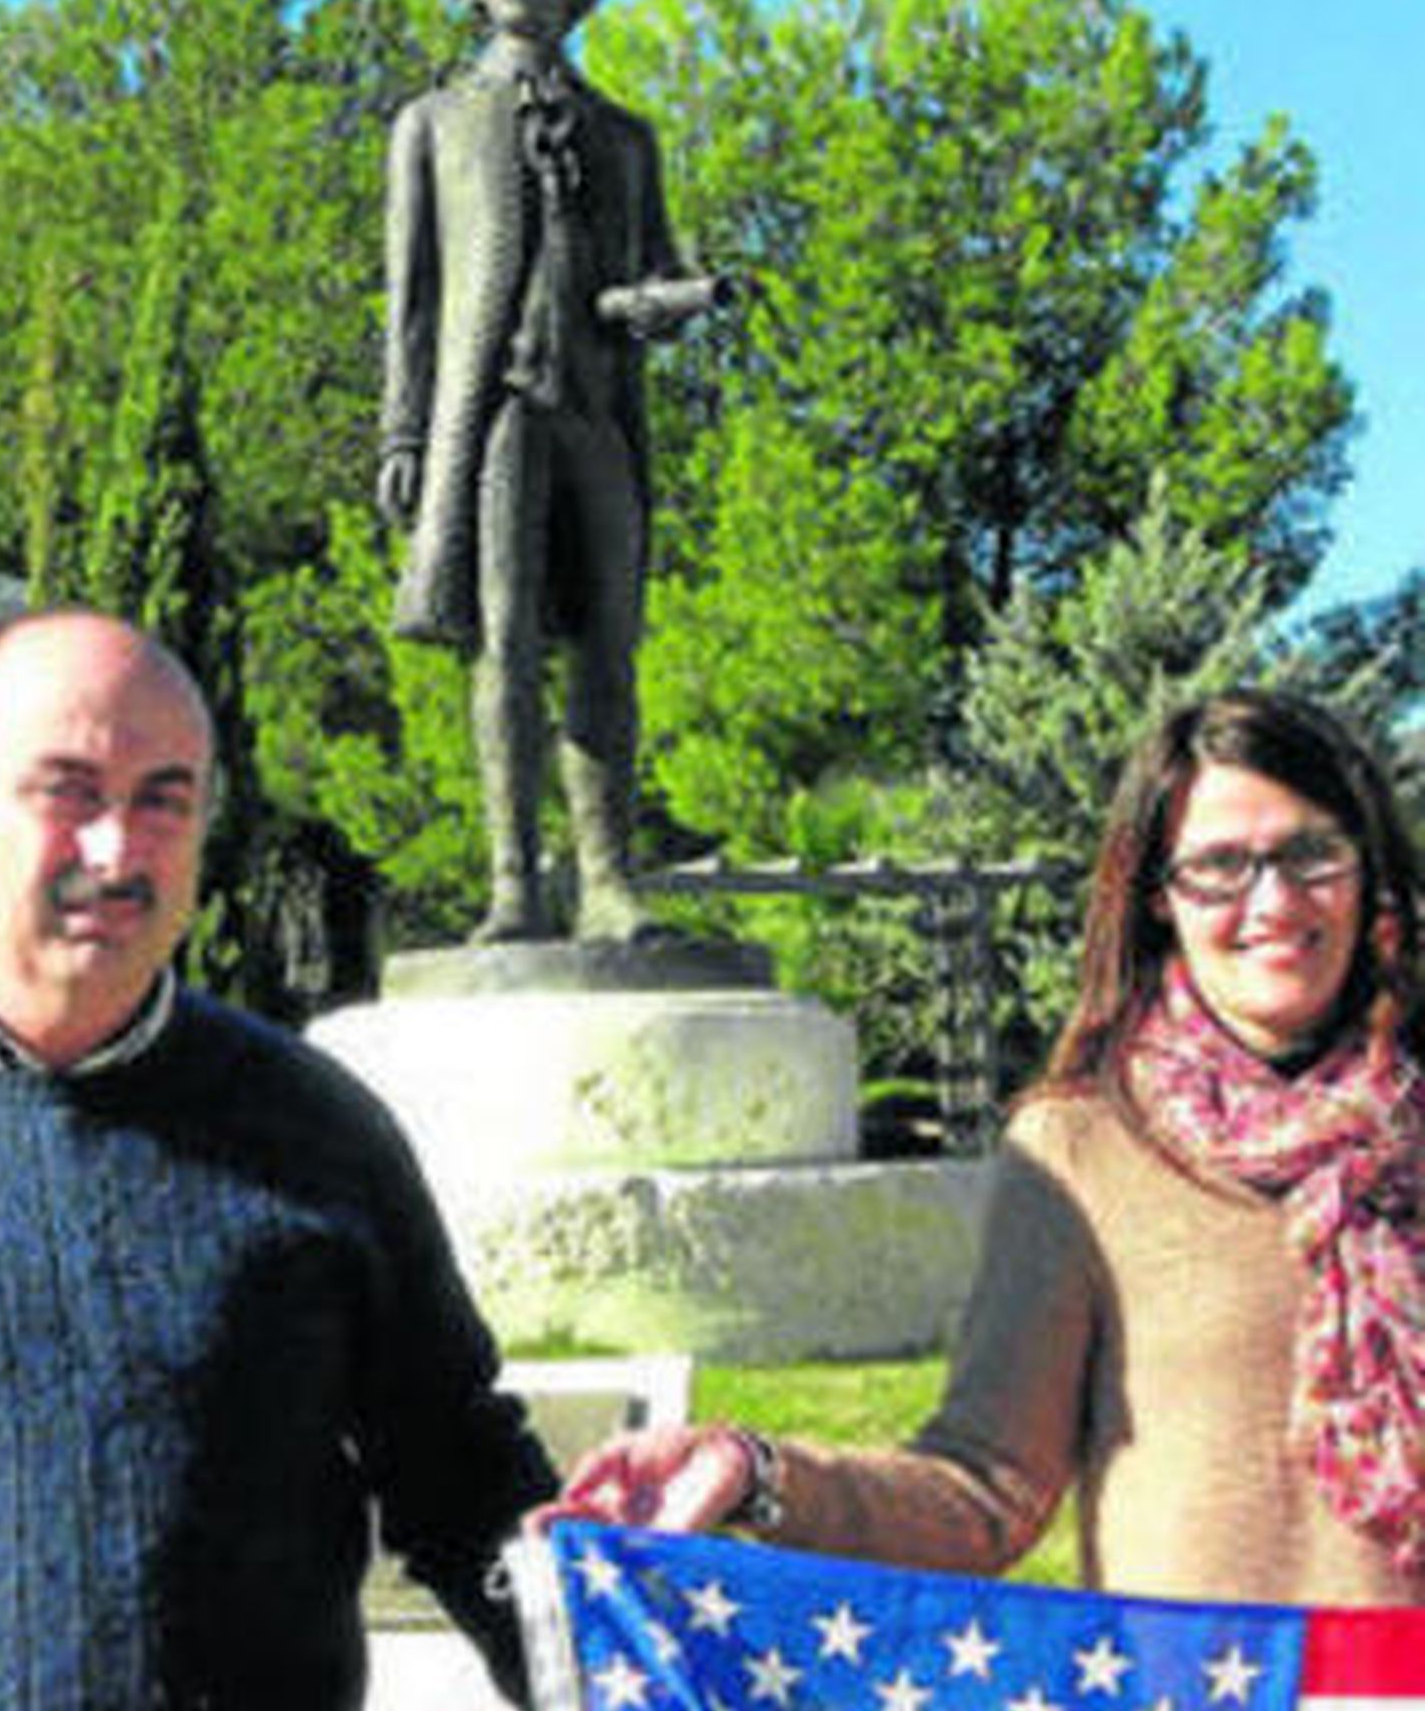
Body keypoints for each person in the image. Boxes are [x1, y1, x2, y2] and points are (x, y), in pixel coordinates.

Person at [0, 606, 554, 1711]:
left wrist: (638, 1701)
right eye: (66, 788)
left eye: (165, 796)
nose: (119, 849)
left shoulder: (322, 1133)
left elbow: (462, 1474)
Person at [555, 688, 1425, 1606]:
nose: (1275, 899)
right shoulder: (1079, 1150)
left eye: (1313, 852)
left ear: (1367, 869)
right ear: (1158, 896)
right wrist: (754, 1471)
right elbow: (983, 1489)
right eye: (1219, 865)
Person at [379, 0, 722, 944]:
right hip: (494, 412)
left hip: (597, 413)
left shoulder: (626, 136)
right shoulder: (432, 122)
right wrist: (402, 434)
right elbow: (411, 296)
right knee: (504, 636)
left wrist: (676, 299)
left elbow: (643, 274)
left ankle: (607, 882)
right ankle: (513, 883)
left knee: (608, 644)